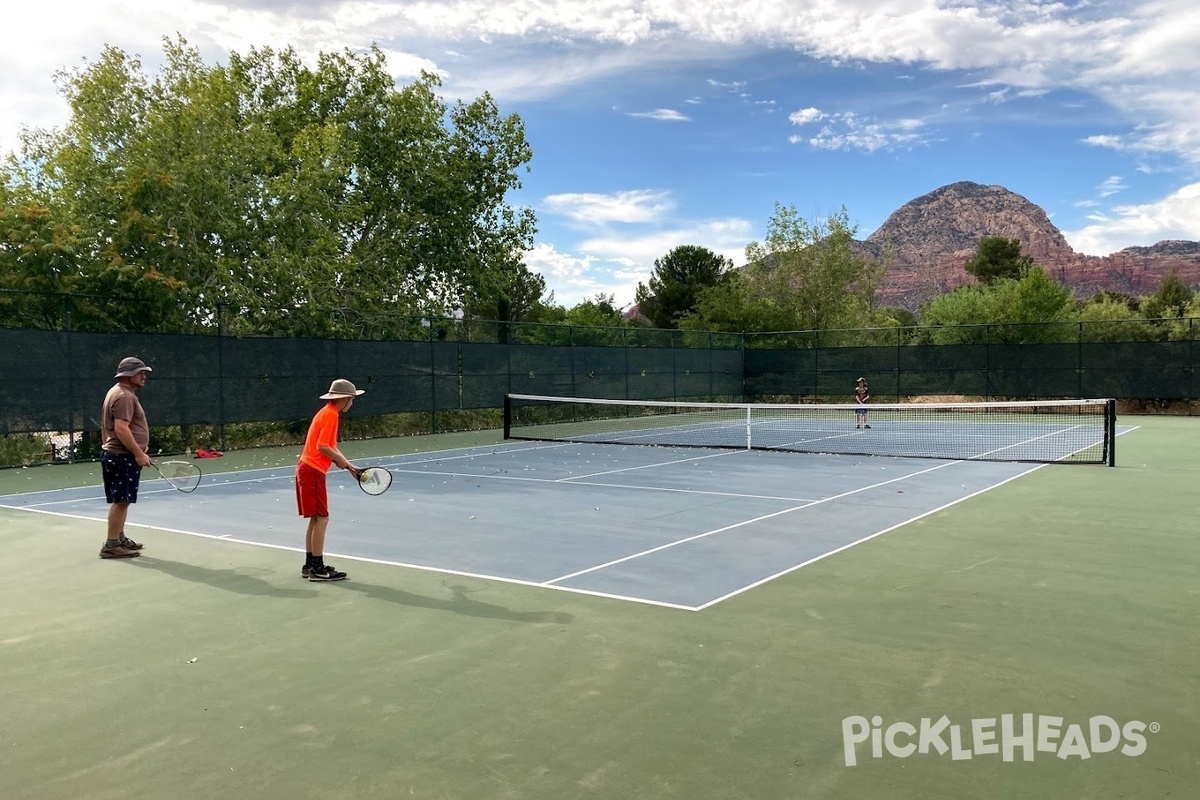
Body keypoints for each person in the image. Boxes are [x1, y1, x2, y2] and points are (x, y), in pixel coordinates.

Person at [296, 379, 365, 582]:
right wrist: (341, 461)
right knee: (322, 518)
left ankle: (310, 565)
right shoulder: (331, 415)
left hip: (308, 469)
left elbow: (330, 447)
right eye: (352, 399)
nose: (352, 403)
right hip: (312, 470)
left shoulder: (326, 412)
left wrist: (348, 465)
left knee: (316, 518)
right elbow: (322, 447)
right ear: (344, 399)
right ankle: (317, 568)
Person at [99, 356, 154, 558]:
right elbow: (121, 429)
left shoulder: (122, 392)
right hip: (121, 456)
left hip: (121, 456)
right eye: (141, 373)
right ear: (129, 375)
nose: (144, 376)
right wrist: (138, 453)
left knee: (124, 499)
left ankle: (119, 538)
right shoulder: (124, 396)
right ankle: (112, 545)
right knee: (121, 501)